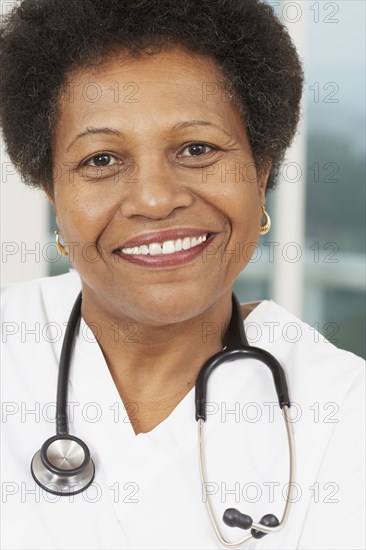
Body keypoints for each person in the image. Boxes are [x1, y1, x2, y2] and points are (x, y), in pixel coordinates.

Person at [0, 0, 364, 549]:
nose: (155, 199)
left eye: (197, 148)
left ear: (260, 172)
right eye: (101, 160)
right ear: (53, 193)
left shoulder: (345, 410)